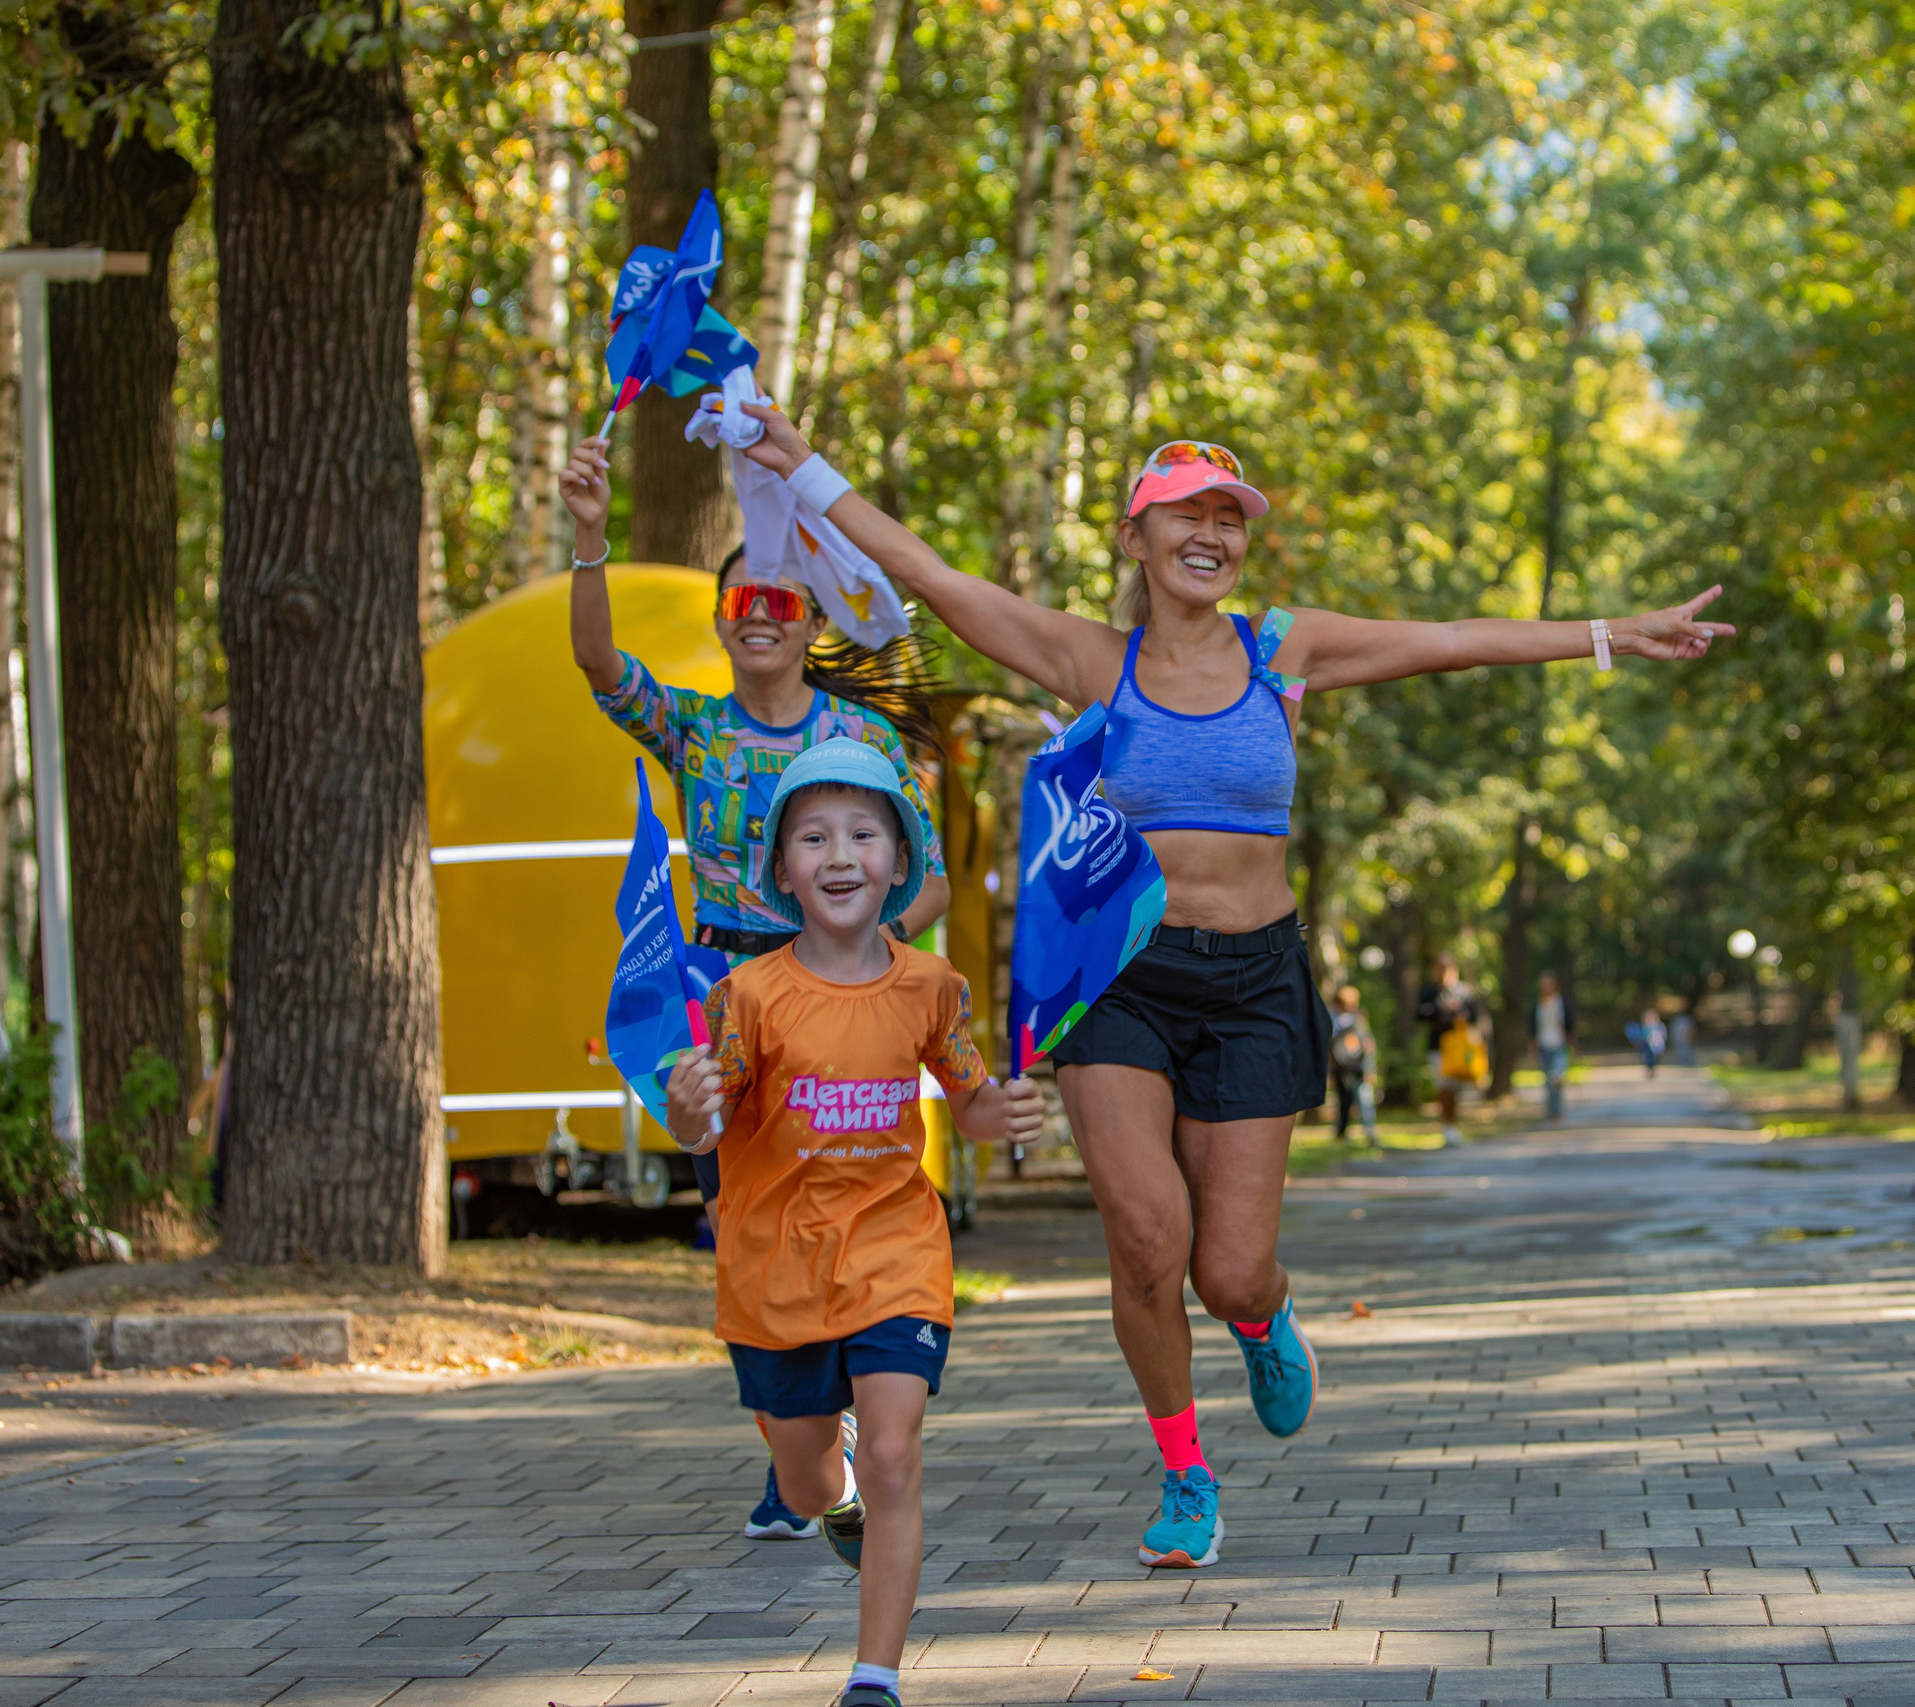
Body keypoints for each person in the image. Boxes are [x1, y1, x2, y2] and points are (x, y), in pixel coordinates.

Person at [727, 411, 1728, 1570]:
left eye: (1226, 518)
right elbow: (930, 574)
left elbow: (1453, 635)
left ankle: (1260, 1317)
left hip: (1256, 981)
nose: (1209, 534)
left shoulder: (1281, 648)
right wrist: (799, 466)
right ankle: (1185, 1471)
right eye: (1184, 516)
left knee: (1227, 1266)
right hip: (1121, 981)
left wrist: (1615, 633)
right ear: (1135, 538)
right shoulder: (1090, 659)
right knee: (1147, 1241)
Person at [559, 434, 952, 1541]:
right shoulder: (693, 727)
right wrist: (590, 537)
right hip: (724, 1008)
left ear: (814, 620)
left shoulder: (859, 737)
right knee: (743, 1219)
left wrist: (874, 958)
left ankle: (857, 1431)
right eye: (744, 601)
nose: (763, 613)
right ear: (725, 620)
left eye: (785, 595)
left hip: (847, 1016)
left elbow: (928, 884)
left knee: (852, 1205)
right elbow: (598, 665)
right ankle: (798, 1446)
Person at [667, 739, 1045, 1707]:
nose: (839, 855)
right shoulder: (747, 998)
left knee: (891, 1451)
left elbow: (966, 1098)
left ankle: (873, 1678)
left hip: (895, 1252)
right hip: (775, 1269)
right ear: (782, 870)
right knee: (804, 1485)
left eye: (862, 833)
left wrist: (1001, 1113)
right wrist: (685, 1103)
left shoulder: (931, 986)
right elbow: (703, 1122)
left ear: (899, 860)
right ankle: (821, 1488)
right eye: (813, 837)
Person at [1417, 954, 1485, 1145]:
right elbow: (1420, 1014)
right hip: (1439, 1047)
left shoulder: (1464, 991)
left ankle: (1453, 1124)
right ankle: (1447, 1126)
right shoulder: (1430, 992)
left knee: (1456, 1087)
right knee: (1443, 1087)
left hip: (1459, 1048)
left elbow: (1473, 1017)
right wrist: (1439, 1008)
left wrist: (1458, 1011)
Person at [1327, 984, 1379, 1145]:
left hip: (1359, 1065)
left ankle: (1370, 1134)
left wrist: (1370, 1068)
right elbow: (1327, 1045)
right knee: (1343, 1100)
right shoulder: (1331, 1019)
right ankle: (1341, 1134)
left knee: (1365, 1099)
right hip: (1340, 1066)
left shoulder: (1358, 1019)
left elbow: (1368, 1043)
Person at [1532, 973, 1573, 1119]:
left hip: (1559, 1044)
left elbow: (1569, 1025)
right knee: (1548, 1081)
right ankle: (1552, 1111)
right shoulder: (1538, 1004)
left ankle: (1557, 1109)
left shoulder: (1561, 1002)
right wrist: (1533, 1050)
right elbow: (1533, 1028)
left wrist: (1573, 1044)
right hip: (1543, 1044)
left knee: (1556, 1077)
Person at [1638, 1006, 1667, 1079]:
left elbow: (1664, 1035)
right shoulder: (1646, 1027)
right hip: (1647, 1047)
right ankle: (1649, 1071)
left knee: (1655, 1060)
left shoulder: (1659, 1026)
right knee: (1647, 1059)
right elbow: (1642, 1036)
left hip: (1657, 1047)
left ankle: (1652, 1071)